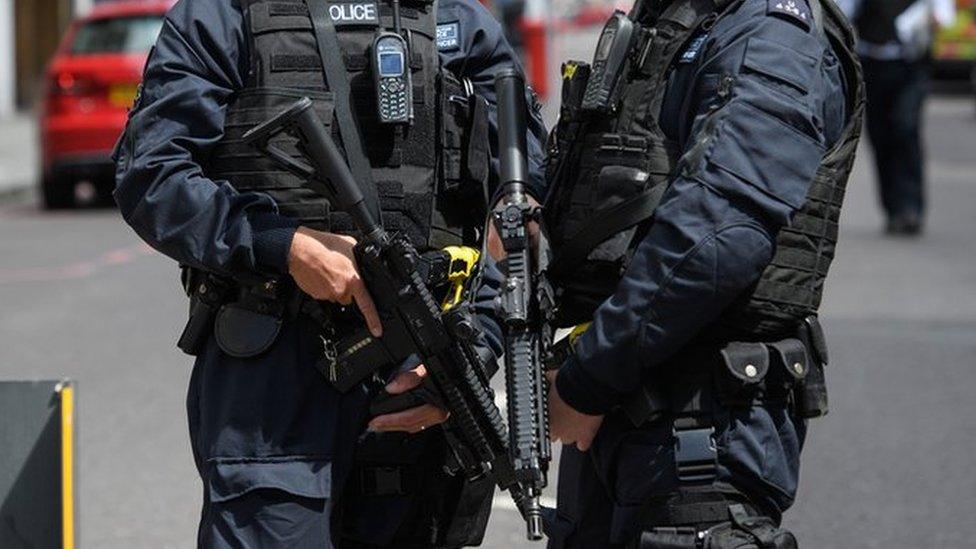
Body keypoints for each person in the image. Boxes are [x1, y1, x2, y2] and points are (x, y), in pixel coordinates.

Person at [112, 0, 546, 546]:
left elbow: (515, 221)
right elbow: (152, 179)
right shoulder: (222, 16)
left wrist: (472, 352)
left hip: (419, 372)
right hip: (273, 374)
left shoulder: (458, 21)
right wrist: (283, 245)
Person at [541, 0, 862, 546]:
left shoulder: (772, 35)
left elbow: (717, 238)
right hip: (629, 398)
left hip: (700, 424)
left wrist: (587, 379)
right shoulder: (681, 19)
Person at [838, 0, 956, 235]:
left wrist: (929, 21)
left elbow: (944, 15)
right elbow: (843, 13)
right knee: (880, 136)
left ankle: (911, 207)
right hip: (872, 63)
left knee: (905, 127)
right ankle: (893, 209)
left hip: (911, 65)